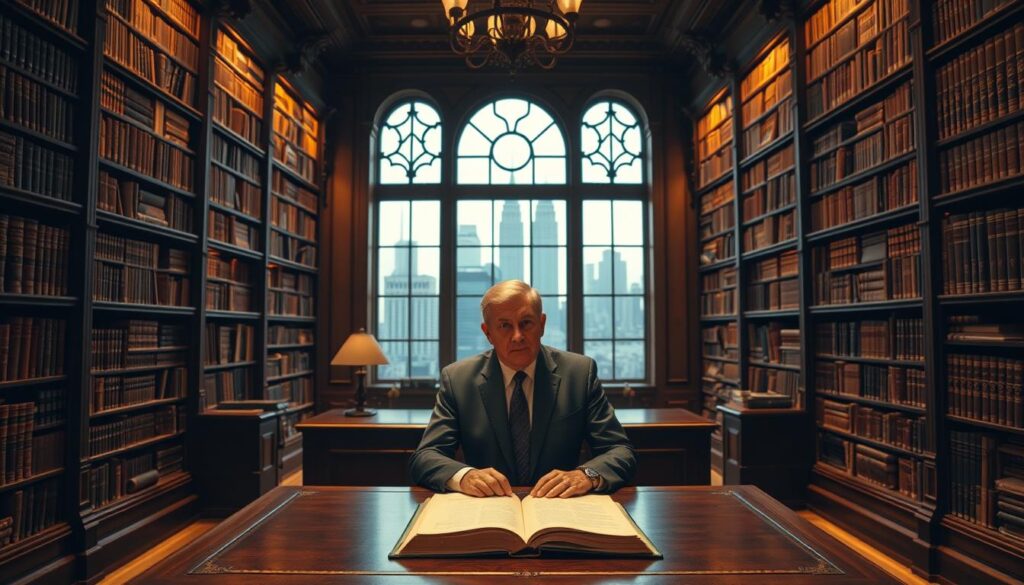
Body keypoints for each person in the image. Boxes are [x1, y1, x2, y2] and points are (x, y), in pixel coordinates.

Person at [409, 280, 636, 498]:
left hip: (559, 508)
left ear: (542, 324)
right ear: (488, 333)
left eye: (526, 323)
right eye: (505, 326)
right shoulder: (458, 379)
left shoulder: (579, 374)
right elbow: (426, 457)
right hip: (487, 510)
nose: (517, 336)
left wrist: (586, 475)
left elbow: (620, 451)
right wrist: (465, 476)